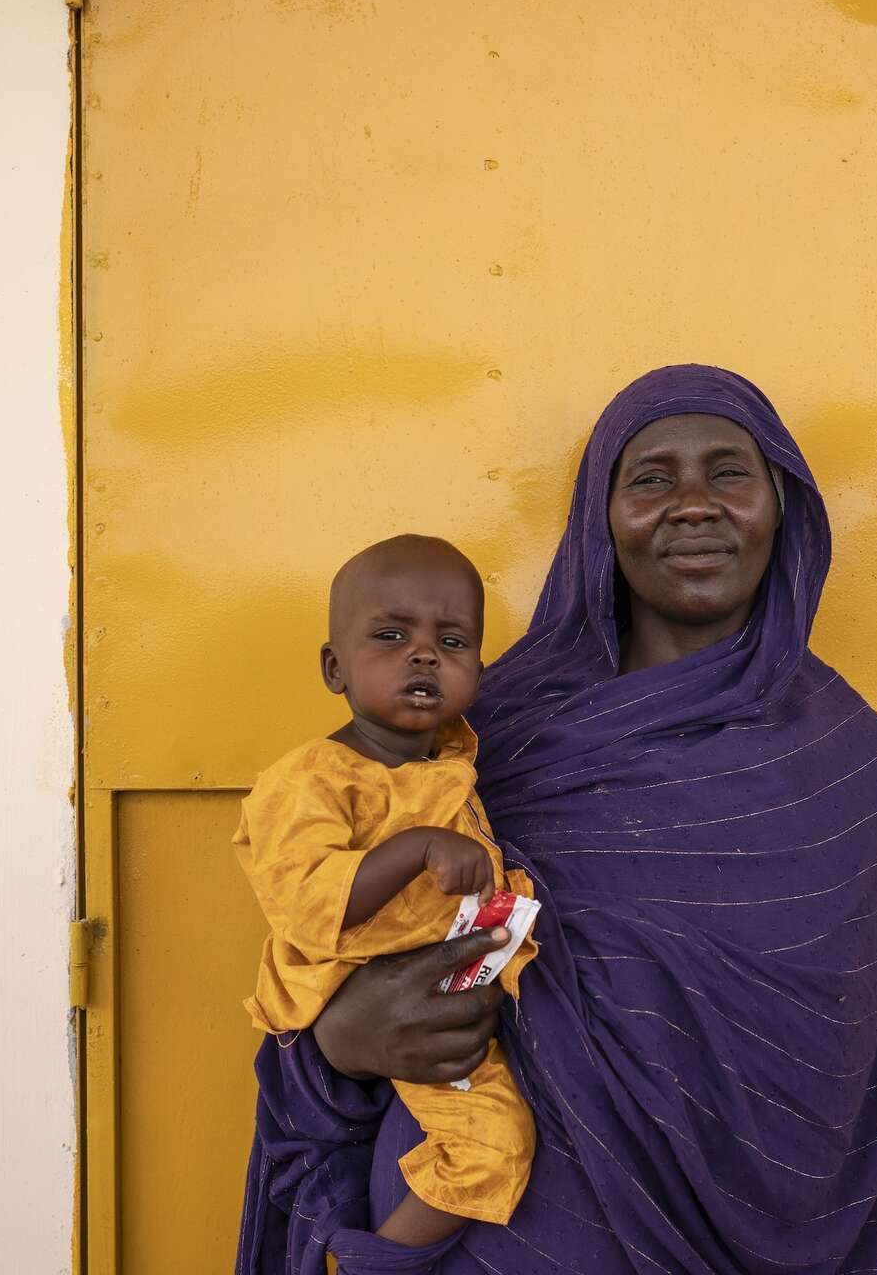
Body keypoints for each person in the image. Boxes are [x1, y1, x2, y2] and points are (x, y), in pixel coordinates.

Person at [236, 364, 877, 1275]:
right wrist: (338, 1038)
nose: (693, 504)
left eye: (730, 472)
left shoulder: (845, 764)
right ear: (597, 520)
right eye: (650, 477)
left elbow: (874, 1058)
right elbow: (322, 928)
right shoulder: (480, 737)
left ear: (784, 509)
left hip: (783, 1219)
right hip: (506, 1232)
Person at [234, 535, 539, 1253]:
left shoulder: (455, 764)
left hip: (454, 999)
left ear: (478, 673)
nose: (425, 654)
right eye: (392, 635)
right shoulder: (309, 779)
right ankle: (376, 1264)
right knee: (494, 1147)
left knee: (504, 1140)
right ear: (334, 668)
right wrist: (415, 849)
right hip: (365, 1009)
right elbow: (308, 909)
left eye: (453, 640)